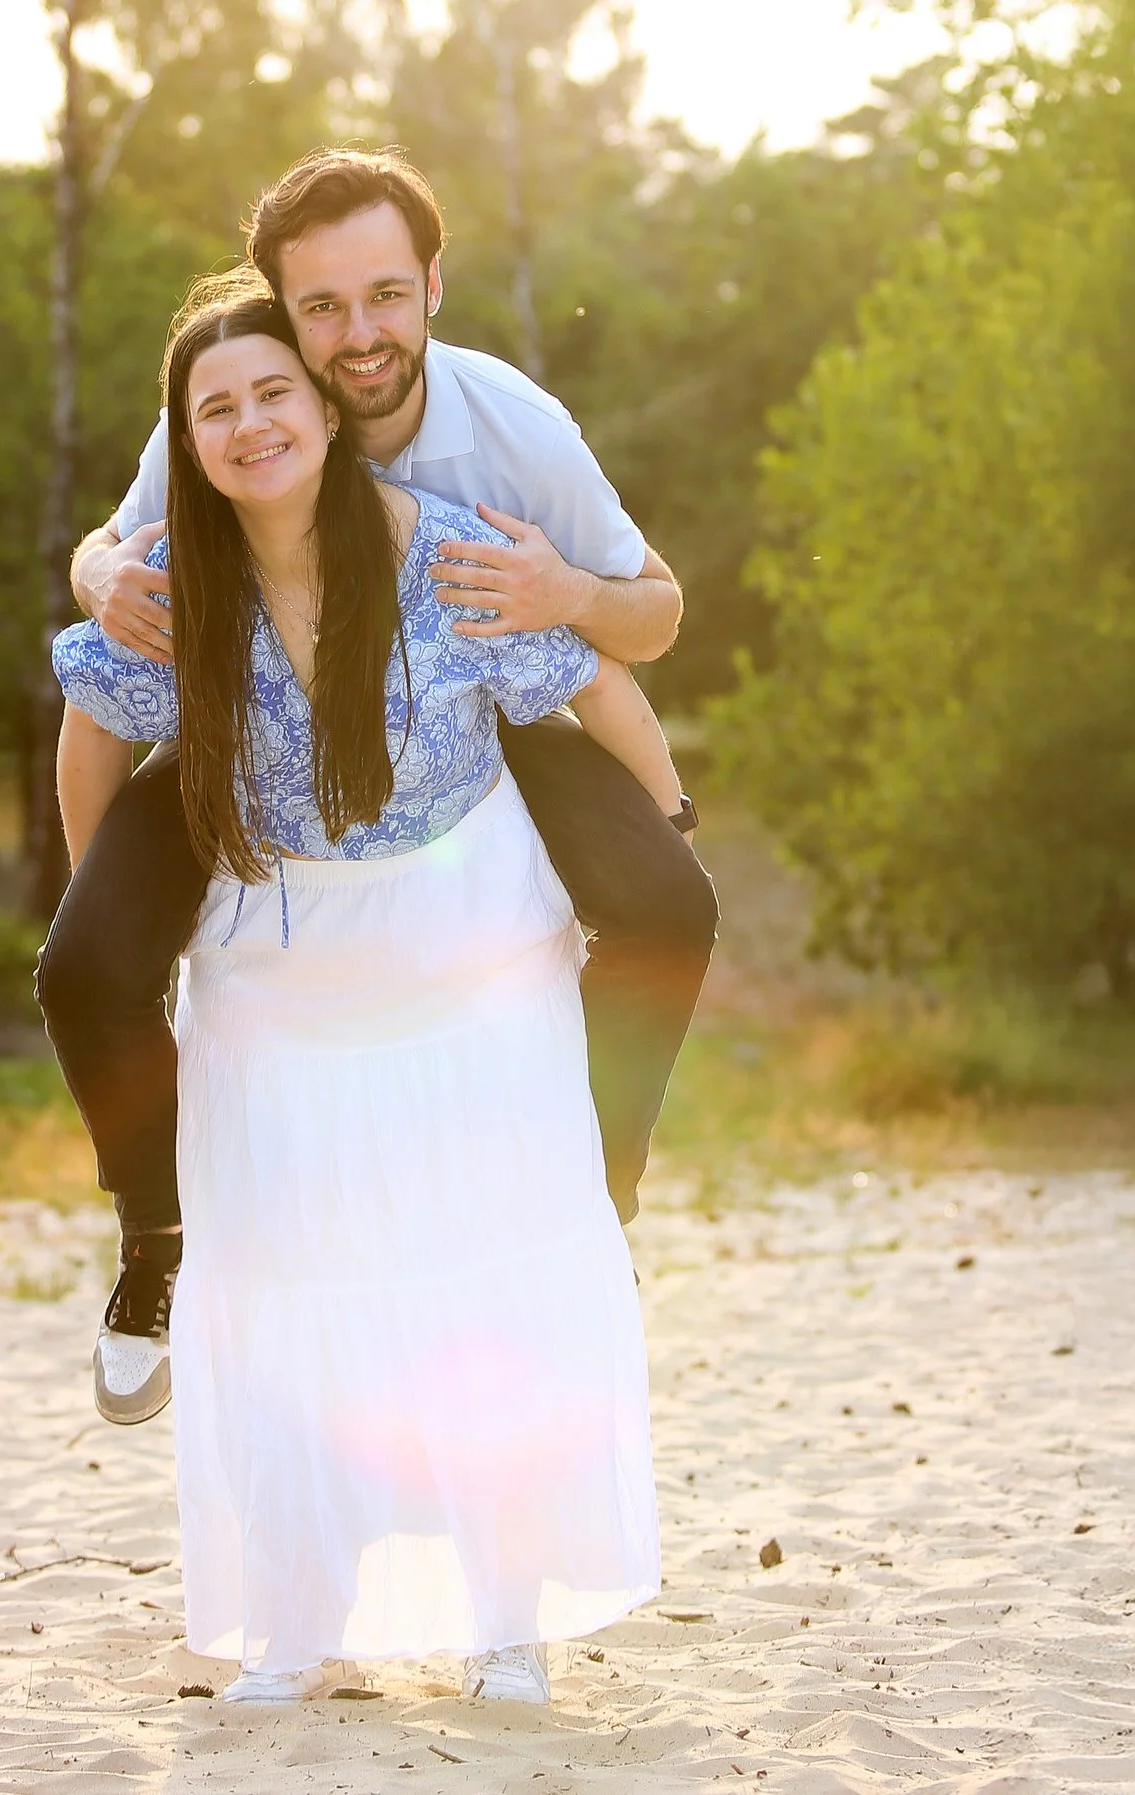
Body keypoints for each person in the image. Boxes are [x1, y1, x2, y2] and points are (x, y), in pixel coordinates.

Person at [49, 278, 669, 1704]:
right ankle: (302, 1621)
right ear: (189, 442)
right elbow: (92, 731)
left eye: (276, 392)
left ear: (327, 412)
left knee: (483, 1261)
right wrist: (104, 896)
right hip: (276, 970)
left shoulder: (444, 552)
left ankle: (506, 1619)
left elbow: (601, 685)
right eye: (218, 408)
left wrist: (664, 822)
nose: (251, 422)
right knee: (286, 1281)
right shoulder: (170, 583)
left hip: (469, 953)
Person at [42, 149, 715, 1426]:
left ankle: (595, 1199)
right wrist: (90, 577)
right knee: (80, 963)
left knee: (672, 909)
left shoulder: (514, 425)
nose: (359, 335)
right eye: (323, 305)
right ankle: (156, 1244)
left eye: (386, 297)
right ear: (274, 311)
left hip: (485, 700)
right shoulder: (241, 404)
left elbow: (656, 617)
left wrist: (565, 595)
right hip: (242, 722)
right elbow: (119, 559)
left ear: (432, 287)